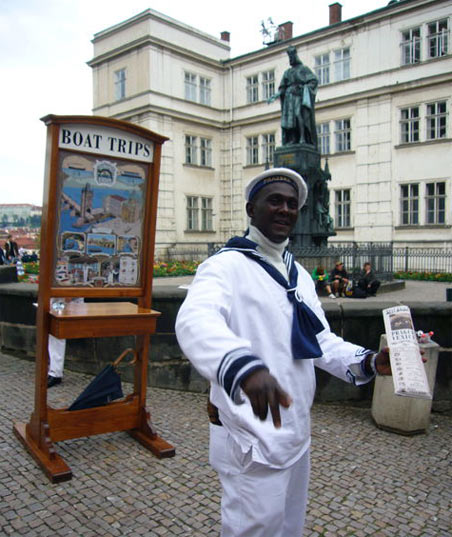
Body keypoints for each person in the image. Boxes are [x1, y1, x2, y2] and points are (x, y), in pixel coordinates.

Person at [175, 167, 391, 537]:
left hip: (294, 431)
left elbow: (319, 341)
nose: (285, 210)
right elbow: (195, 320)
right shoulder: (225, 266)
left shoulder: (299, 276)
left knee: (289, 527)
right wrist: (242, 367)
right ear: (250, 208)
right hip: (249, 434)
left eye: (292, 204)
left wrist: (369, 360)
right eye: (274, 200)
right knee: (253, 530)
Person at [268, 46, 318, 147]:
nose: (291, 59)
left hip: (298, 96)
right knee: (289, 119)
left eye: (292, 57)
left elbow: (314, 81)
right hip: (288, 97)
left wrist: (305, 88)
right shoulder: (287, 72)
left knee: (298, 115)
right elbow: (282, 87)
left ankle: (302, 138)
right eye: (289, 57)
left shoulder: (304, 69)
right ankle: (292, 139)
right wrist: (275, 96)